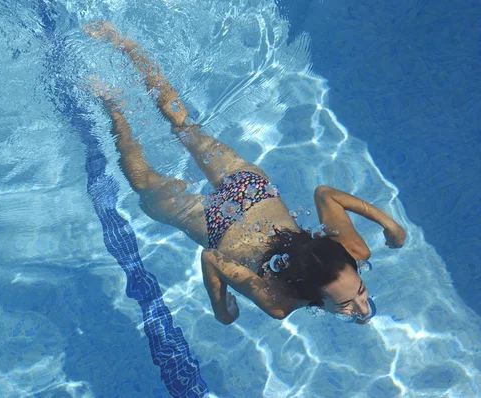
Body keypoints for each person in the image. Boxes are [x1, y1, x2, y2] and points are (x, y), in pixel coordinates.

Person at [83, 21, 407, 325]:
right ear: (312, 297)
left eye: (356, 298)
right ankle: (112, 103)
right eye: (352, 299)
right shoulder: (280, 303)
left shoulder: (351, 251)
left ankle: (125, 45)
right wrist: (221, 309)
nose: (362, 307)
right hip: (217, 225)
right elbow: (211, 257)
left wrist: (390, 227)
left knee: (184, 127)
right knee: (143, 182)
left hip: (254, 189)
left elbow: (325, 195)